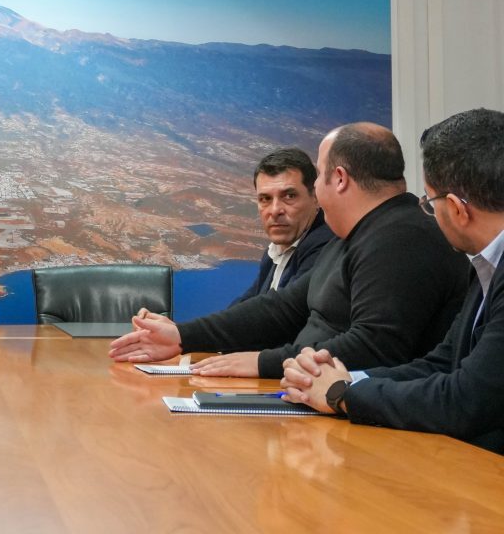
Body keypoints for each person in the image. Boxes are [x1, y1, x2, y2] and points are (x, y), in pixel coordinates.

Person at [109, 122, 469, 378]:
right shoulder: (357, 235)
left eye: (319, 176)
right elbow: (281, 308)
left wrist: (262, 363)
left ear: (339, 179)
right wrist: (183, 335)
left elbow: (375, 348)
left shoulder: (401, 238)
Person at [281, 109, 504, 453]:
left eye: (430, 203)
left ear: (459, 210)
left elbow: (465, 400)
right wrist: (341, 379)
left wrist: (343, 395)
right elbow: (442, 362)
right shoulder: (486, 264)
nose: (429, 213)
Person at [228, 147, 334, 305]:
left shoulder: (325, 249)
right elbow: (246, 305)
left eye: (289, 196)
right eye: (265, 199)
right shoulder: (274, 252)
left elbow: (280, 315)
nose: (275, 210)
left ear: (315, 197)